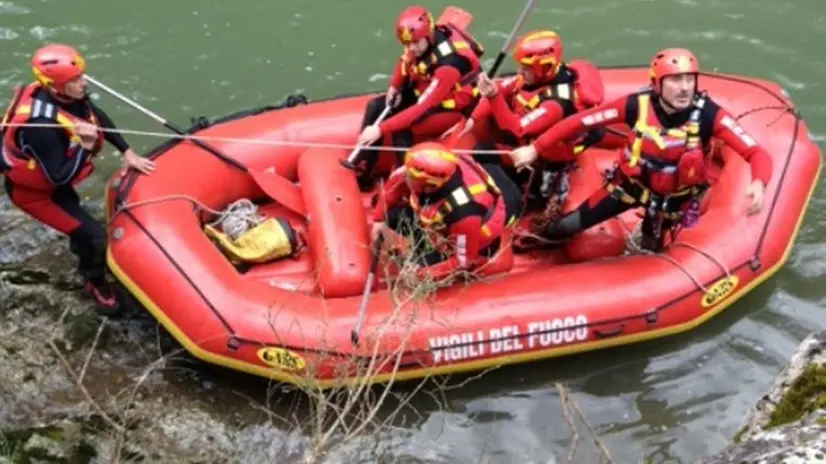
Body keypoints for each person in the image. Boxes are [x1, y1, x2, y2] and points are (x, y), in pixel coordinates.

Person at [507, 47, 772, 251]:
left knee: (650, 246)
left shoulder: (709, 115)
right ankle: (549, 237)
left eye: (689, 80)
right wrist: (536, 149)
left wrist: (759, 182)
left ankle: (645, 250)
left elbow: (756, 152)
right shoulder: (636, 105)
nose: (684, 88)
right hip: (628, 187)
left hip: (671, 201)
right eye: (676, 80)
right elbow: (581, 121)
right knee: (567, 225)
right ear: (658, 83)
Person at [0, 43, 156, 314]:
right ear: (55, 86)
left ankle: (79, 242)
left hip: (54, 177)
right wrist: (84, 145)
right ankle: (95, 282)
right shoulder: (40, 127)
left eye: (81, 76)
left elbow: (96, 117)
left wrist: (126, 151)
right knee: (95, 237)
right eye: (76, 80)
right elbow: (59, 178)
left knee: (79, 226)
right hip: (38, 195)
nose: (83, 83)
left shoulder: (68, 96)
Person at [459, 29, 608, 211]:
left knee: (482, 154)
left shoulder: (556, 103)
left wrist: (493, 96)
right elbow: (503, 88)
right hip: (527, 141)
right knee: (484, 149)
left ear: (544, 67)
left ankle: (513, 202)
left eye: (526, 67)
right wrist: (473, 119)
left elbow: (517, 128)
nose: (520, 71)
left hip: (542, 159)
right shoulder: (532, 78)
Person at [350, 5, 484, 190]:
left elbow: (424, 107)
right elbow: (405, 59)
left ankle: (404, 181)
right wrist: (394, 86)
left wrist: (381, 129)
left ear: (428, 35)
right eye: (407, 44)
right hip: (427, 89)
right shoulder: (418, 42)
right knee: (376, 106)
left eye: (415, 43)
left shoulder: (449, 65)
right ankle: (363, 167)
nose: (411, 48)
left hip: (450, 109)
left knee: (403, 129)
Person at [369, 141, 522, 281]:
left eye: (410, 177)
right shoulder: (437, 173)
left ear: (429, 185)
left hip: (476, 230)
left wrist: (422, 273)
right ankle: (423, 243)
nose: (405, 178)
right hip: (449, 217)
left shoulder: (464, 211)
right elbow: (397, 179)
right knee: (392, 216)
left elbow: (464, 260)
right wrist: (378, 218)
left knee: (419, 268)